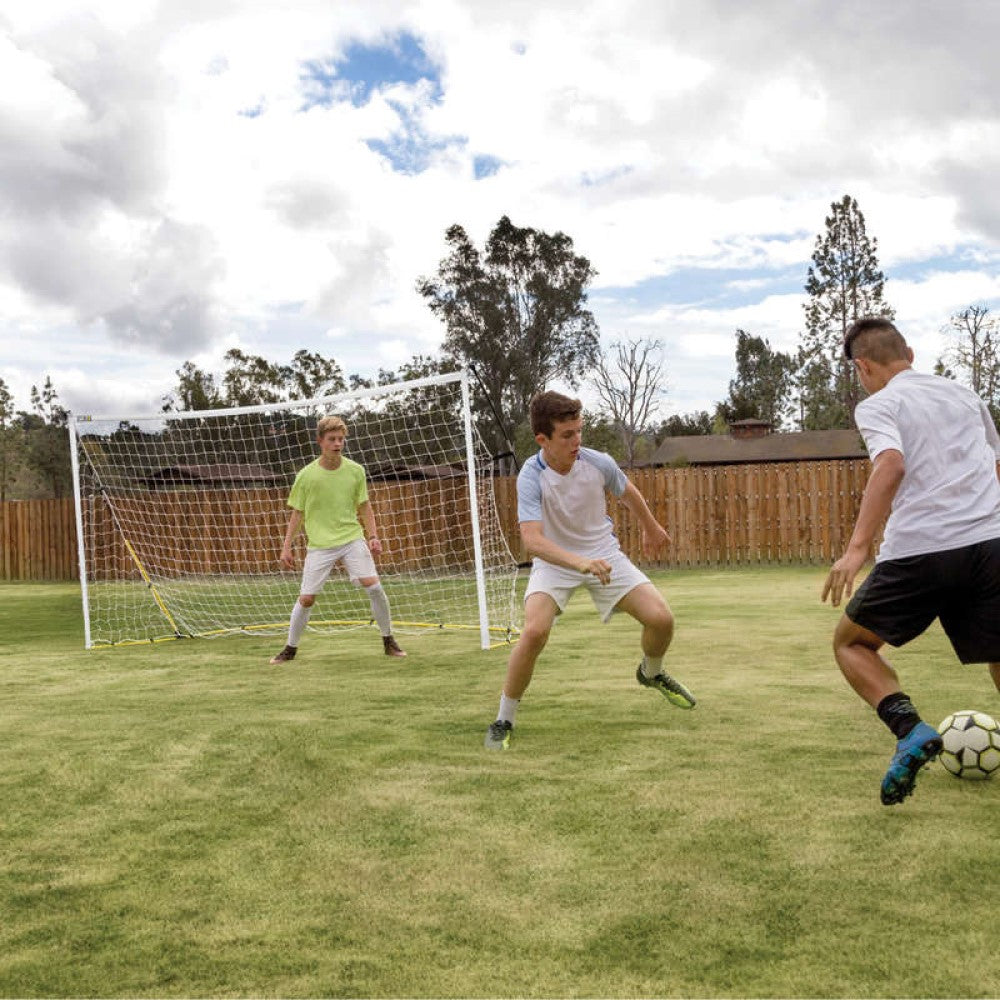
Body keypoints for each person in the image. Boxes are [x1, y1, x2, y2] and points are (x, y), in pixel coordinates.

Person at [822, 317, 1000, 805]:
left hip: (921, 549)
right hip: (989, 542)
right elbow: (996, 464)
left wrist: (856, 550)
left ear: (863, 366)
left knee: (852, 643)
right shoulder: (965, 395)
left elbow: (891, 463)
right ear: (911, 355)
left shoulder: (879, 403)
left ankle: (909, 729)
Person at [484, 390, 695, 750]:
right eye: (567, 435)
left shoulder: (598, 462)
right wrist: (578, 562)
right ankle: (504, 719)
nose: (577, 441)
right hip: (554, 563)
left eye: (579, 431)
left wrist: (650, 526)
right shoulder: (531, 477)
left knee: (662, 620)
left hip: (604, 553)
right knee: (534, 633)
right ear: (542, 439)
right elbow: (532, 542)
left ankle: (652, 673)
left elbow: (628, 492)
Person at [269, 414, 406, 664]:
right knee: (307, 598)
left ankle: (388, 640)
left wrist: (373, 536)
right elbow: (297, 514)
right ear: (320, 441)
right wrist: (286, 547)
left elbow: (365, 507)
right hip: (320, 545)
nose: (337, 444)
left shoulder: (356, 471)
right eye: (332, 439)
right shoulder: (306, 476)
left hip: (351, 538)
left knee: (374, 586)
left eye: (341, 439)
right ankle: (290, 648)